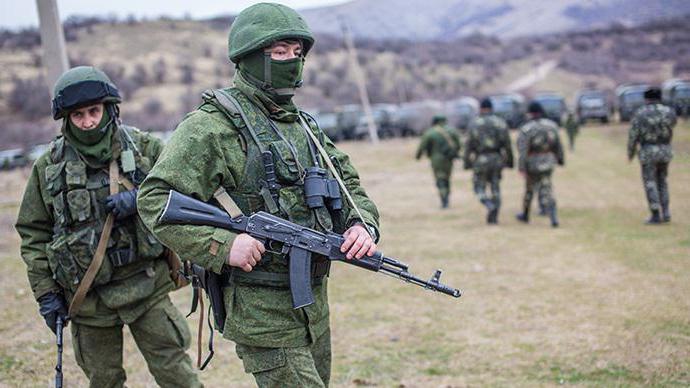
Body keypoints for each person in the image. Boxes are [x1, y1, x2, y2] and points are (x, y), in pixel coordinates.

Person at [136, 3, 380, 387]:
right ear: (250, 56)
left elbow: (346, 181)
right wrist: (222, 245)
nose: (292, 62)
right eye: (279, 52)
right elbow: (154, 199)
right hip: (260, 311)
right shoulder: (211, 127)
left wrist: (361, 225)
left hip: (313, 306)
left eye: (297, 53)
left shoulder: (301, 124)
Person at [15, 66, 201, 388]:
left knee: (176, 372)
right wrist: (46, 295)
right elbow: (34, 234)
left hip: (147, 285)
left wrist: (140, 199)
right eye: (78, 115)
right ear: (66, 119)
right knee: (104, 380)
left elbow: (186, 192)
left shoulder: (143, 148)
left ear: (109, 109)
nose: (88, 122)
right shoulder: (48, 168)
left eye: (94, 111)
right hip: (88, 298)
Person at [627, 86, 676, 224]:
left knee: (650, 182)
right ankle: (666, 212)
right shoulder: (669, 112)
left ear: (646, 99)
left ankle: (655, 213)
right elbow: (673, 125)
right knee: (662, 181)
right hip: (665, 150)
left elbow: (633, 135)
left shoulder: (641, 113)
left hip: (648, 151)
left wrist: (630, 152)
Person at [464, 98, 514, 224]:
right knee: (495, 188)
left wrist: (467, 162)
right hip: (497, 158)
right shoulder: (500, 123)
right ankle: (494, 217)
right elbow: (507, 145)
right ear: (492, 108)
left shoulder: (474, 123)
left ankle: (487, 203)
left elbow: (468, 146)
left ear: (481, 108)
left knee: (478, 188)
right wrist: (510, 161)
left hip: (481, 159)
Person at [516, 101, 564, 228]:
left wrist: (521, 167)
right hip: (548, 161)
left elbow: (523, 150)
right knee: (547, 189)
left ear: (530, 113)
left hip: (532, 163)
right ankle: (553, 216)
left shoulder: (527, 129)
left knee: (529, 190)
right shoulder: (552, 126)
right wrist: (560, 159)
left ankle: (525, 214)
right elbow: (558, 145)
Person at [415, 114, 461, 208]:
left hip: (436, 160)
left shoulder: (431, 132)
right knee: (447, 178)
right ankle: (447, 197)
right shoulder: (452, 131)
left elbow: (422, 146)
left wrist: (418, 156)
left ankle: (444, 201)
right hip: (449, 159)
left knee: (440, 179)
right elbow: (459, 144)